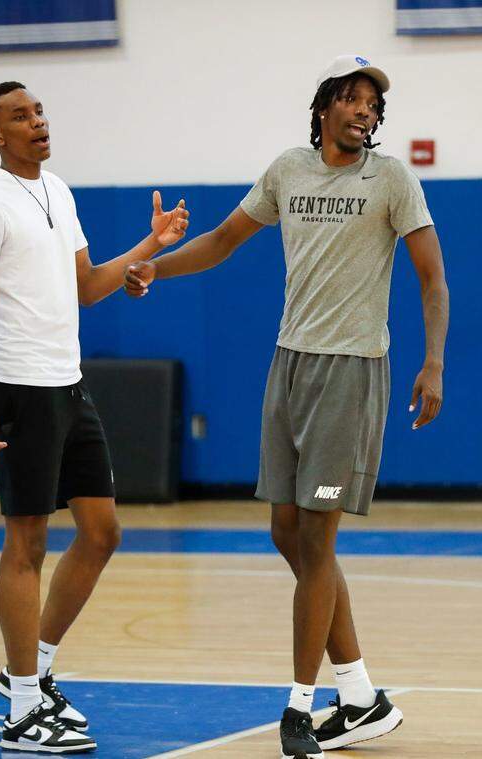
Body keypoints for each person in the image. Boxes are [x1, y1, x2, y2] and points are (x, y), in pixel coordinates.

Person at [124, 55, 449, 759]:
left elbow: (432, 276)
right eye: (354, 99)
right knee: (287, 532)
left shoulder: (391, 178)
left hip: (353, 373)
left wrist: (433, 361)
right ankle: (362, 693)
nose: (365, 111)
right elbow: (221, 240)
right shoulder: (287, 171)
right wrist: (156, 265)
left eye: (373, 104)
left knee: (318, 541)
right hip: (290, 365)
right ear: (327, 105)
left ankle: (301, 704)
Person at [0, 81, 188, 753]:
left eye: (40, 111)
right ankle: (24, 710)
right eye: (21, 116)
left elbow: (85, 286)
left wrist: (149, 246)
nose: (37, 122)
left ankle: (33, 670)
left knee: (102, 530)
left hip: (68, 382)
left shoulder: (58, 190)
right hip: (16, 388)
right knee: (26, 542)